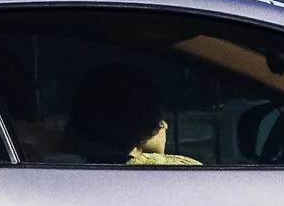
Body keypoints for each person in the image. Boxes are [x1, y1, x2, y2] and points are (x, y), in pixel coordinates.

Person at [57, 63, 200, 165]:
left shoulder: (47, 168)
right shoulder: (183, 173)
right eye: (160, 120)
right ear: (145, 126)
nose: (165, 126)